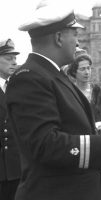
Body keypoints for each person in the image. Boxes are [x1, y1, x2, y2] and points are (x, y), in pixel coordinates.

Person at [5, 2, 101, 200]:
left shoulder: (54, 76)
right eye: (75, 35)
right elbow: (45, 144)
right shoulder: (30, 78)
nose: (78, 43)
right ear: (59, 37)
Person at [68, 49, 101, 133]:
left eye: (88, 68)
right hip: (76, 139)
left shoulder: (100, 93)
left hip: (97, 139)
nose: (87, 72)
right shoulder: (68, 92)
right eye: (82, 69)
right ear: (74, 71)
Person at [0, 38, 21, 200]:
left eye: (15, 58)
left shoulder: (18, 87)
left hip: (18, 167)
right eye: (9, 58)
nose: (14, 62)